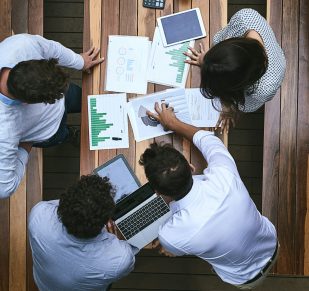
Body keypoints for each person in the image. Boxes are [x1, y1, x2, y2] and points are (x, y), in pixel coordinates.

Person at [141, 102, 279, 289]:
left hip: (242, 278)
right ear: (191, 168)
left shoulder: (170, 235)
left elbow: (171, 249)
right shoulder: (224, 174)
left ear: (158, 192)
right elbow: (206, 139)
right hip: (271, 243)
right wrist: (173, 123)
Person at [0, 33, 103, 198]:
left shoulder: (21, 45)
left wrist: (80, 61)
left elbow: (51, 48)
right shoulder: (4, 133)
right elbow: (5, 188)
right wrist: (26, 146)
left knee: (85, 99)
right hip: (48, 132)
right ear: (26, 102)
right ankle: (69, 135)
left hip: (64, 98)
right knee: (62, 135)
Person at [185, 8, 286, 133]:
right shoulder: (244, 17)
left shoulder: (263, 89)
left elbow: (241, 103)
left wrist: (228, 110)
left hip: (275, 65)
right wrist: (209, 63)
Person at [28, 175, 137, 291]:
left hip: (44, 284)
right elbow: (127, 260)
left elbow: (59, 206)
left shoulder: (38, 216)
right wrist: (116, 238)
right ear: (105, 222)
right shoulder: (119, 259)